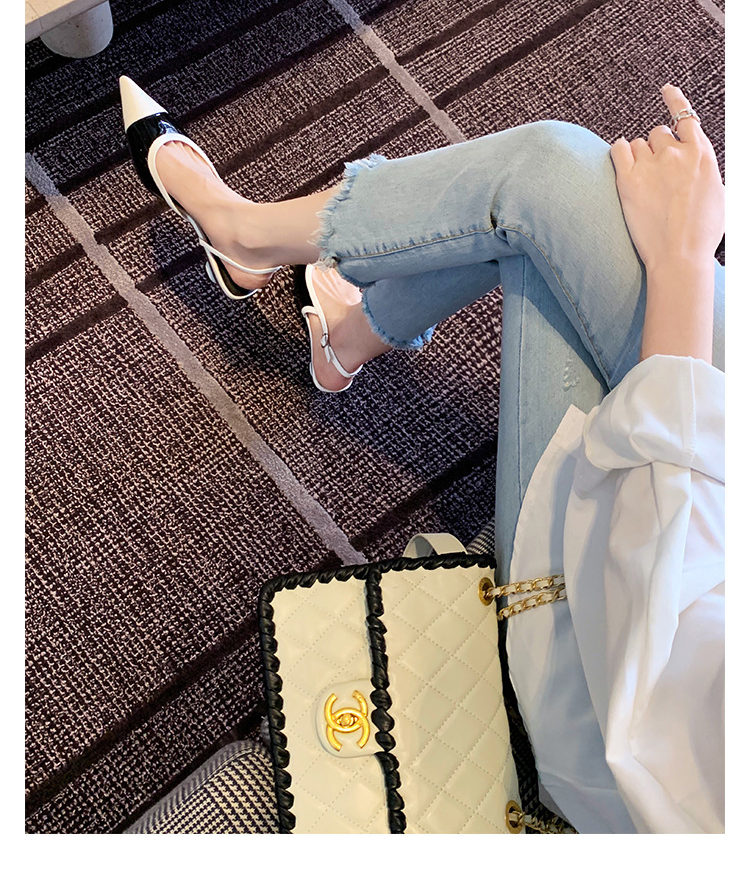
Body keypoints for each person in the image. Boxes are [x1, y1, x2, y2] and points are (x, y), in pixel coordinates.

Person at [119, 76, 725, 834]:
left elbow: (659, 620)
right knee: (568, 202)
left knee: (549, 182)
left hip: (614, 670)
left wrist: (683, 264)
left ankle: (243, 234)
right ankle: (342, 335)